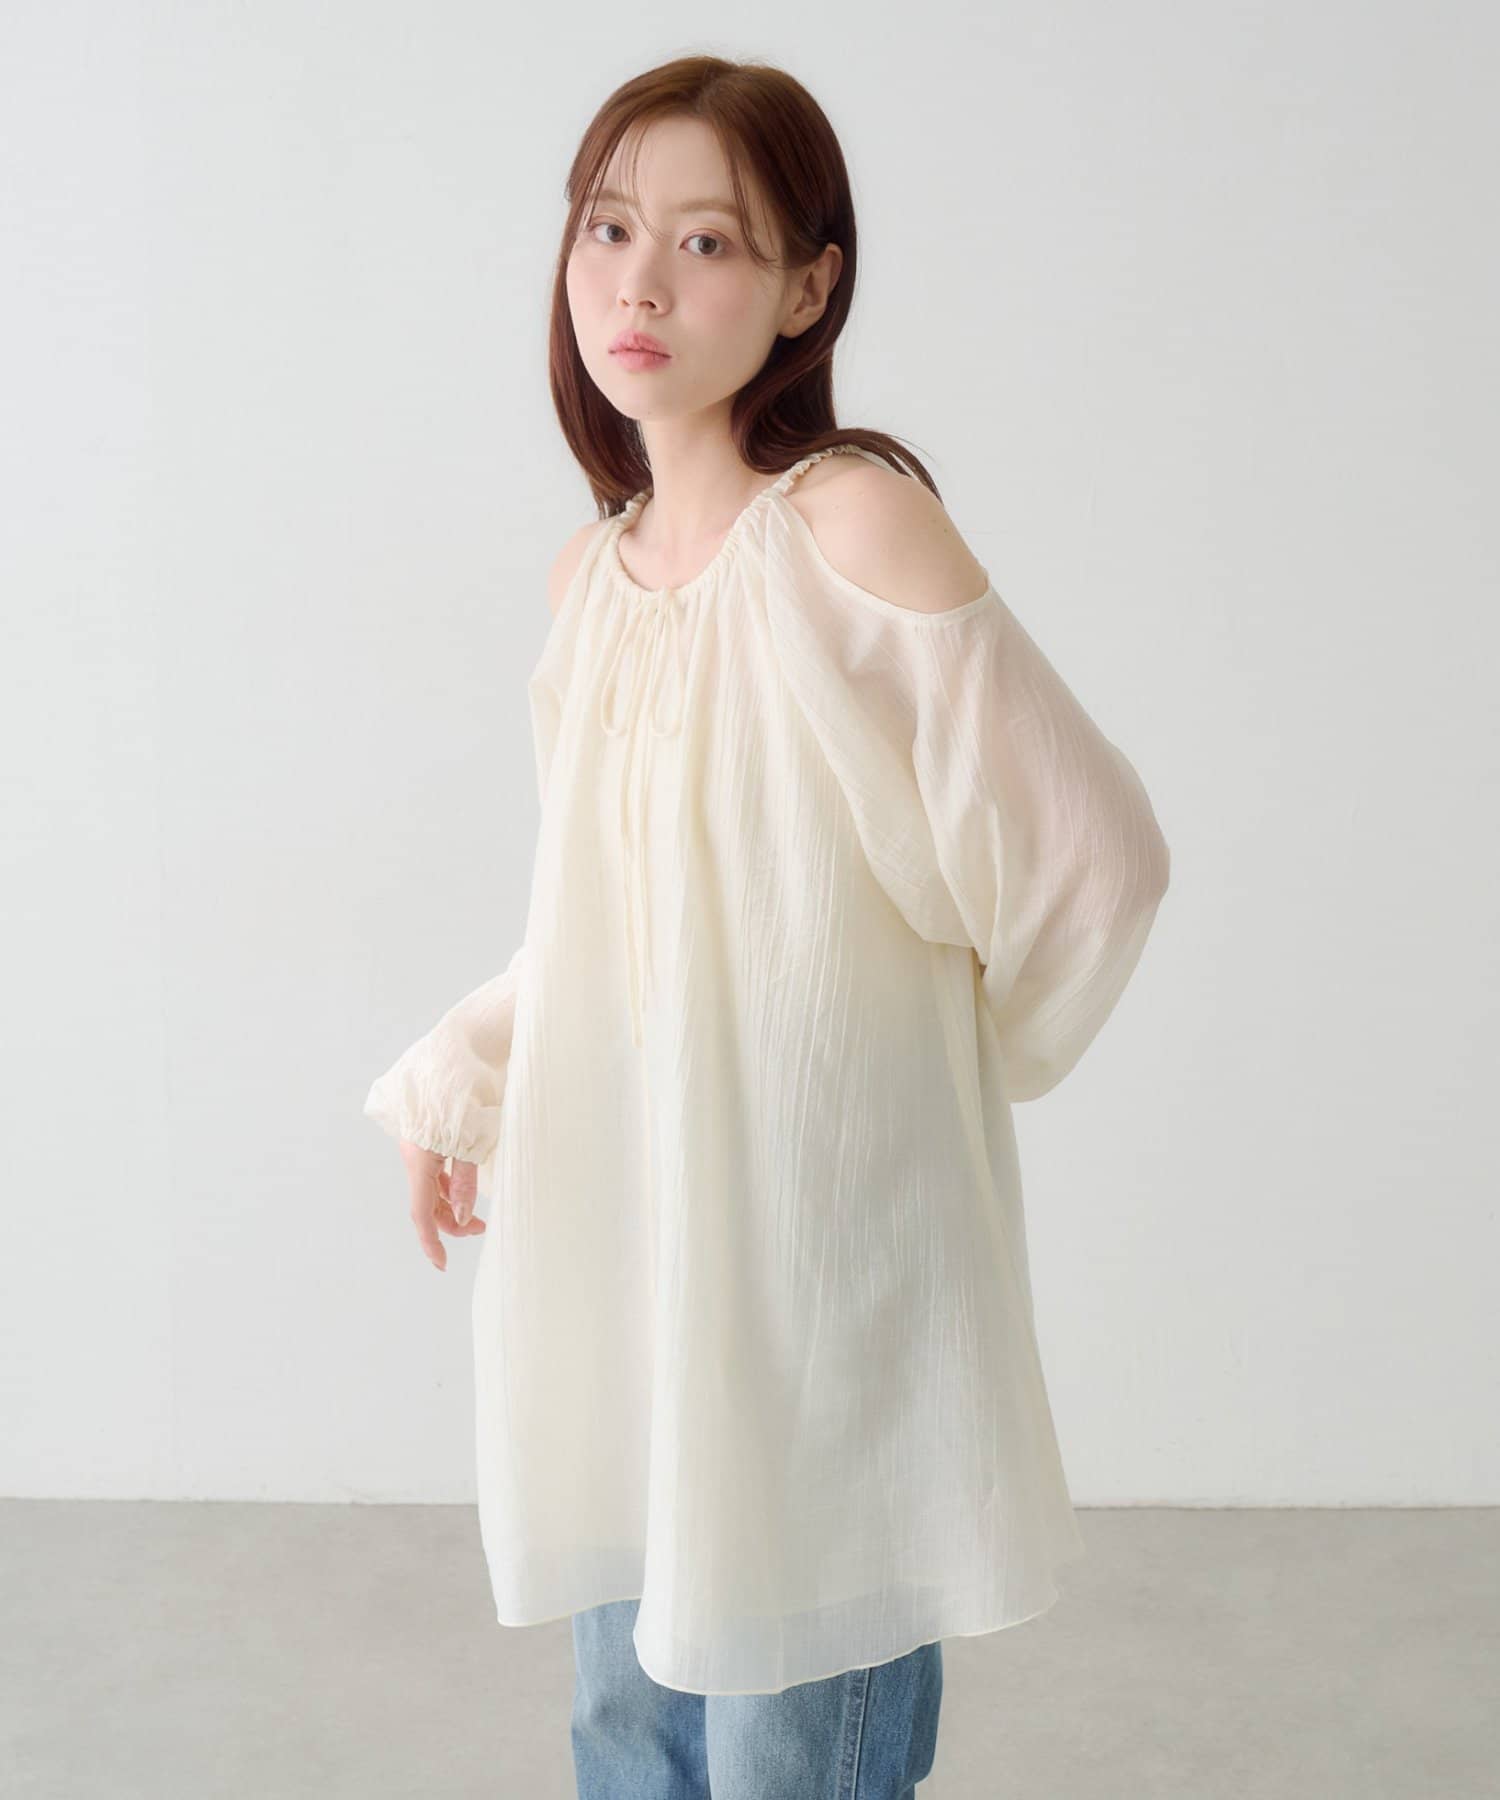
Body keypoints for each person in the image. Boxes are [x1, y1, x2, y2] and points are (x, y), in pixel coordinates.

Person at [363, 54, 1171, 1800]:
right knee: (630, 1733)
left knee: (788, 1757)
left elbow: (1094, 858)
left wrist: (922, 1073)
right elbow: (609, 926)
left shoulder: (853, 527)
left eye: (708, 241)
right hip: (630, 1252)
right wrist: (468, 1076)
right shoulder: (592, 582)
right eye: (608, 229)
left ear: (809, 287)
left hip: (816, 1269)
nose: (641, 285)